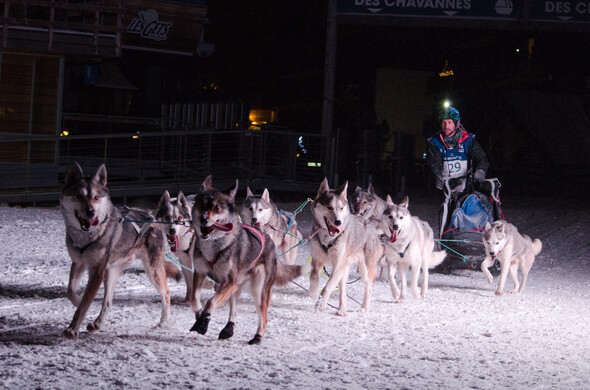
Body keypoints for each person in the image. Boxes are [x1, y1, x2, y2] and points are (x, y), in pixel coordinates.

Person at [426, 106, 489, 197]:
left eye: (449, 122)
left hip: (465, 187)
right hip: (445, 187)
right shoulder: (435, 142)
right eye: (443, 122)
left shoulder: (468, 140)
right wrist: (437, 176)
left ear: (457, 123)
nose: (446, 126)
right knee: (447, 210)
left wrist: (481, 170)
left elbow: (481, 157)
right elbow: (433, 162)